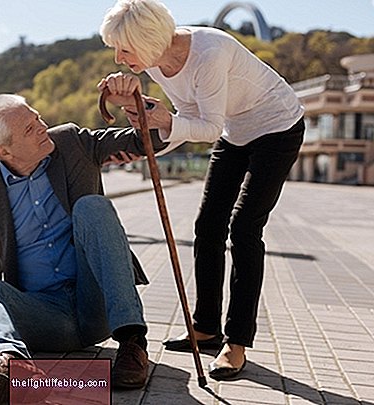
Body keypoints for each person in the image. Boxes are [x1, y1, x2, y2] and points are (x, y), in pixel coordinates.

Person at [99, 0, 305, 381]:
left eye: (123, 49)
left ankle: (237, 341)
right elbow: (184, 121)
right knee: (208, 225)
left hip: (277, 127)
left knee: (244, 228)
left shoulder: (208, 53)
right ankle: (206, 326)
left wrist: (167, 121)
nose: (118, 57)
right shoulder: (159, 62)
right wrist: (140, 145)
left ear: (148, 39)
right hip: (234, 132)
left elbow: (205, 128)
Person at [0, 93, 170, 404]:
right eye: (29, 129)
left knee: (92, 207)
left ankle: (133, 343)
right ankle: (9, 364)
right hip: (43, 317)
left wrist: (152, 118)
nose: (42, 127)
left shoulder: (70, 142)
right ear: (5, 150)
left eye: (37, 118)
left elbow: (141, 142)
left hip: (95, 304)